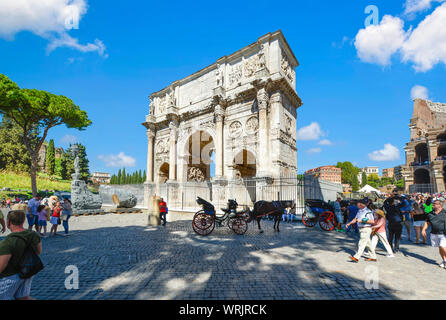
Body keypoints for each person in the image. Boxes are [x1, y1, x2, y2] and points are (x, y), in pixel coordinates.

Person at [0, 210, 42, 300]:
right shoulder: (33, 234)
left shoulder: (7, 242)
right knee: (24, 298)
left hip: (10, 276)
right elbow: (38, 251)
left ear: (8, 222)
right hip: (27, 271)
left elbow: (2, 265)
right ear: (23, 221)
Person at [422, 199, 446, 269]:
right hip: (434, 233)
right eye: (433, 203)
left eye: (434, 204)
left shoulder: (445, 213)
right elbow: (427, 222)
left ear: (439, 205)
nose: (432, 205)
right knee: (440, 248)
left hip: (444, 233)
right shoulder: (430, 214)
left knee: (442, 246)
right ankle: (444, 260)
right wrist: (423, 229)